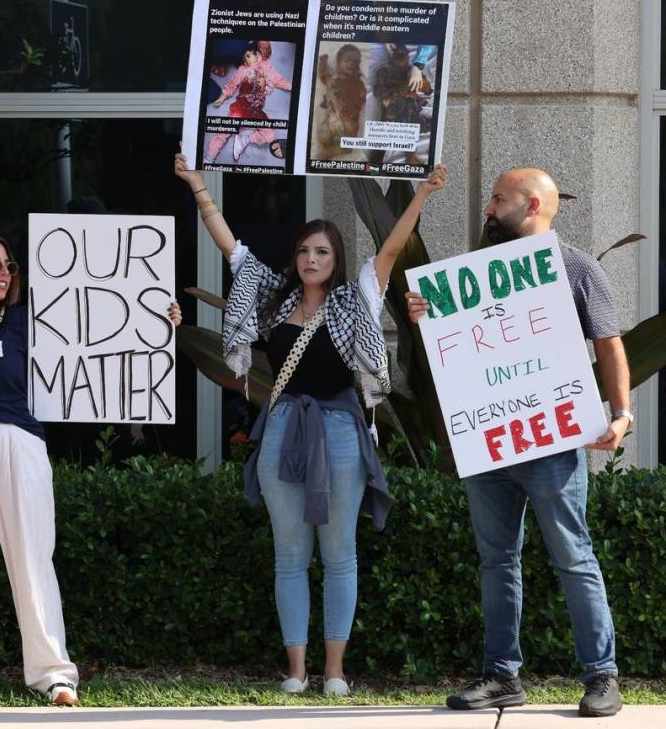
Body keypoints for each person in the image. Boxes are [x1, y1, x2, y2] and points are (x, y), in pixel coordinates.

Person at [175, 152, 447, 693]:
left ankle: (335, 671)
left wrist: (422, 192)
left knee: (339, 552)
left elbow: (392, 246)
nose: (310, 257)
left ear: (336, 258)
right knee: (290, 555)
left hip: (342, 430)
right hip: (282, 430)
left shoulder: (356, 298)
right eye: (303, 250)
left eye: (321, 250)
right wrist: (198, 186)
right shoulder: (273, 301)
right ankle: (297, 671)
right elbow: (229, 245)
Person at [0, 233, 181, 706]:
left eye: (9, 265)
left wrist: (160, 319)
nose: (5, 272)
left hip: (20, 441)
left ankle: (53, 672)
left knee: (32, 555)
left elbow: (100, 332)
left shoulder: (28, 321)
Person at [406, 168, 628, 718]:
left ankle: (602, 675)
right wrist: (426, 314)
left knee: (574, 557)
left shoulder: (575, 267)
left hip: (551, 444)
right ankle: (501, 675)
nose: (488, 206)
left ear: (530, 204)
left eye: (498, 198)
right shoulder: (474, 275)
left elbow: (609, 343)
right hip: (490, 443)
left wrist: (620, 414)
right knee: (496, 560)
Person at [205, 40, 293, 164]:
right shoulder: (242, 71)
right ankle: (209, 157)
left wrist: (291, 86)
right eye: (248, 55)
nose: (253, 55)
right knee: (224, 130)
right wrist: (222, 97)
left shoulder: (266, 66)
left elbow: (277, 79)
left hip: (256, 111)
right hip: (241, 107)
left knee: (269, 133)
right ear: (245, 61)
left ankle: (244, 139)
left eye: (253, 52)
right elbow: (231, 85)